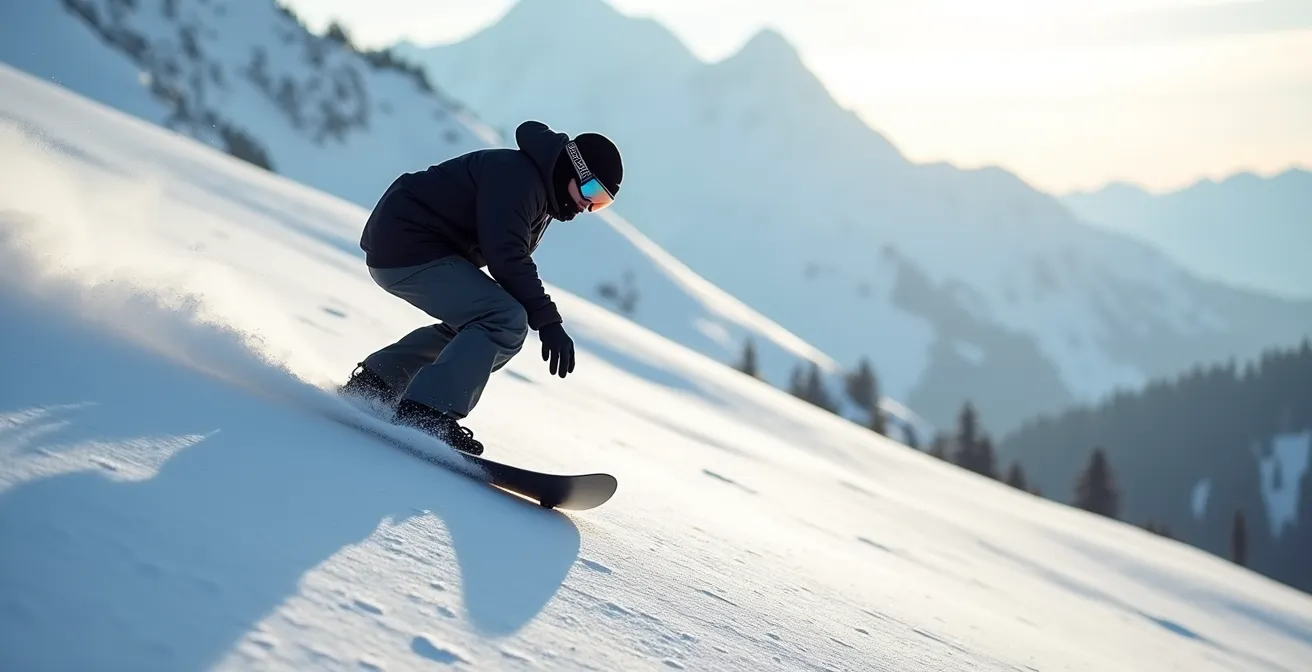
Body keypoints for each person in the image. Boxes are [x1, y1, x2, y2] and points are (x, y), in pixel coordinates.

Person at [340, 120, 623, 455]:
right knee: (504, 318)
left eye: (601, 203)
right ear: (572, 167)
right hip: (407, 245)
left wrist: (543, 317)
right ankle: (427, 411)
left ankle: (378, 382)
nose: (589, 206)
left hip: (412, 244)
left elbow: (508, 260)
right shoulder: (519, 179)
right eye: (591, 193)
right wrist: (548, 321)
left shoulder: (541, 192)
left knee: (480, 326)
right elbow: (506, 256)